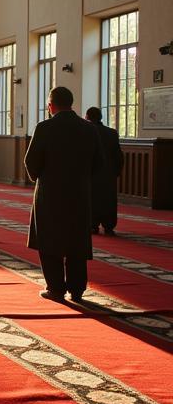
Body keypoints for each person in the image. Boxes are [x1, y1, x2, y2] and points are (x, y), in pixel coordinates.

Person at [25, 86, 102, 302]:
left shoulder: (45, 127)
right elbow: (99, 164)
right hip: (79, 194)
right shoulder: (89, 129)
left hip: (50, 193)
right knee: (77, 240)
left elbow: (31, 162)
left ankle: (56, 288)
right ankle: (77, 289)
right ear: (72, 103)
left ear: (50, 105)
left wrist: (40, 177)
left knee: (49, 240)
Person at [85, 106, 123, 236]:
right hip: (108, 172)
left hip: (91, 172)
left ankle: (93, 225)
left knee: (92, 198)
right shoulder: (111, 133)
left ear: (87, 117)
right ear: (101, 117)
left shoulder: (86, 131)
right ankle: (109, 226)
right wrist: (117, 171)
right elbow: (118, 155)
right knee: (108, 200)